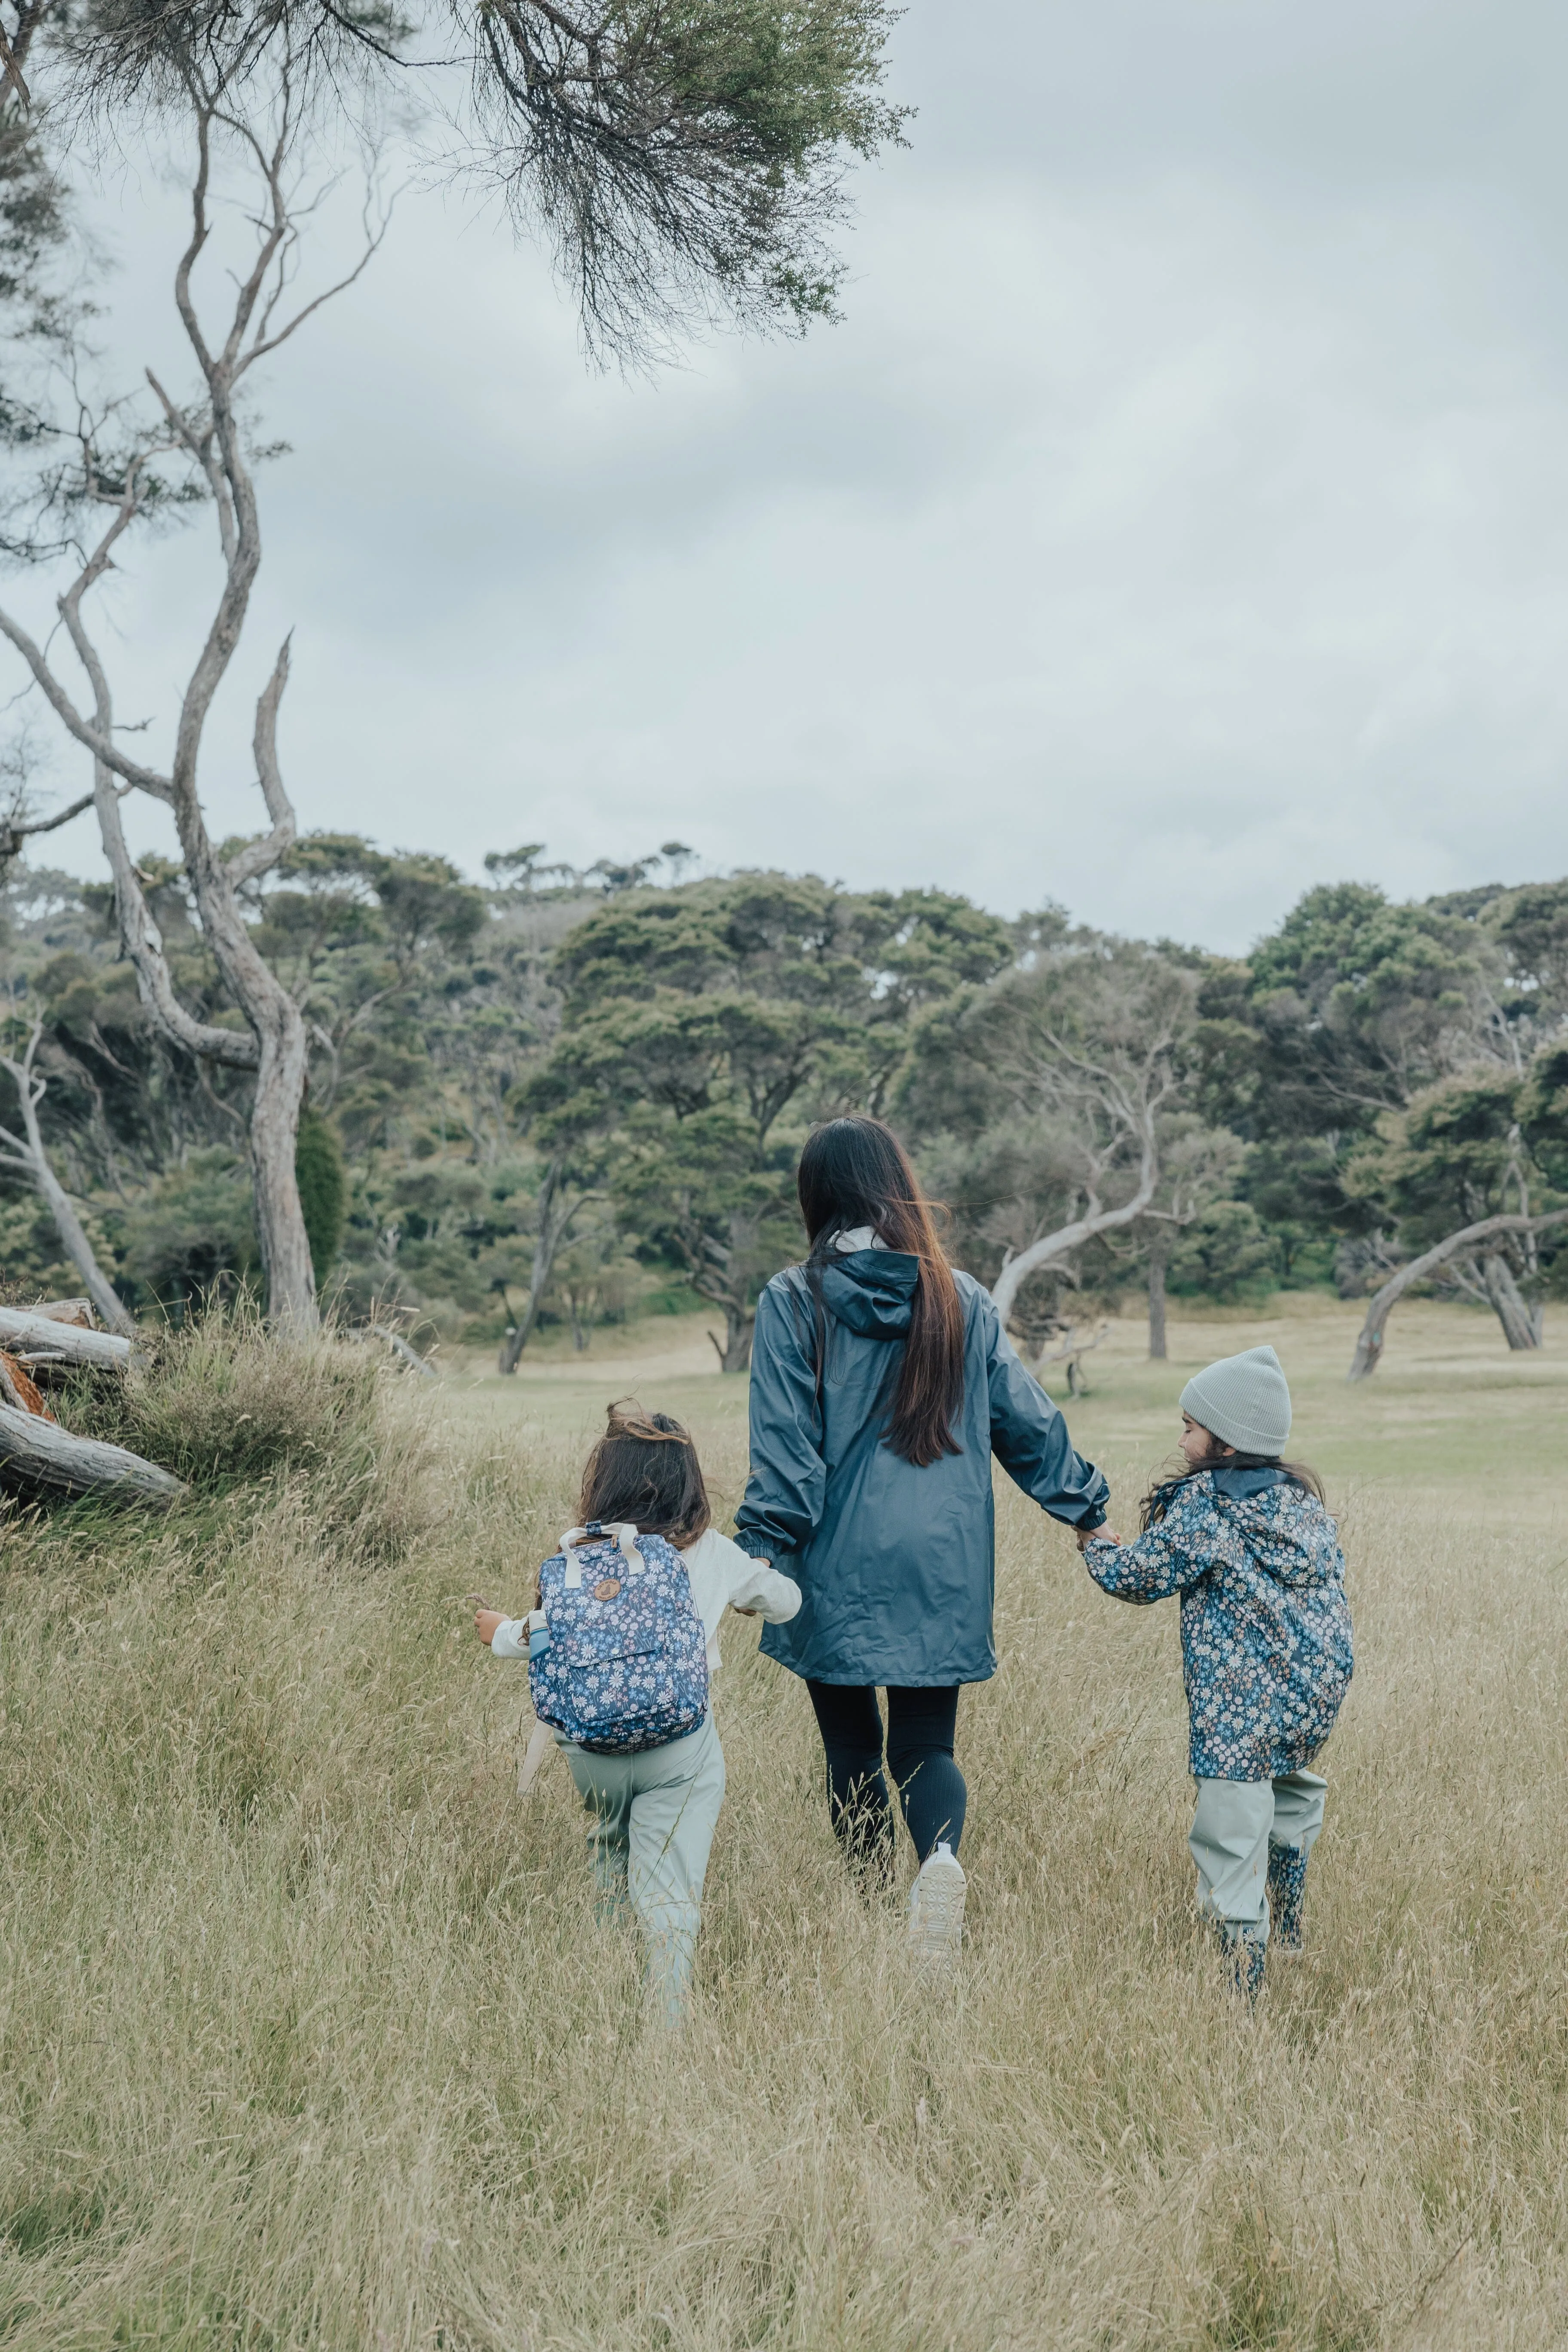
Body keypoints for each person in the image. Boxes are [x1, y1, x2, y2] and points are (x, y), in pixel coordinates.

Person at [732, 1115, 1110, 1964]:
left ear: (817, 1195)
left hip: (833, 1558)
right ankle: (938, 1863)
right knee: (926, 1745)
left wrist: (760, 1546)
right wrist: (1086, 1509)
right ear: (897, 1185)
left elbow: (788, 1452)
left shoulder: (794, 1299)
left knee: (853, 1746)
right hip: (945, 1561)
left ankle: (870, 1911)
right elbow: (1027, 1425)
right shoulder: (960, 1296)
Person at [475, 1402, 800, 2023]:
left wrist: (495, 1630)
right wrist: (756, 1581)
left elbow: (533, 1637)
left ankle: (608, 1991)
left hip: (592, 1754)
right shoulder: (712, 1552)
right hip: (678, 1750)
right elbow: (786, 1603)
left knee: (609, 1853)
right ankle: (664, 2028)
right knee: (668, 1887)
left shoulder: (582, 1558)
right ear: (691, 1484)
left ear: (603, 1482)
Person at [1076, 1344, 1353, 1996]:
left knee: (1231, 1835)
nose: (1182, 1438)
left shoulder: (1210, 1504)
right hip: (1313, 1694)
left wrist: (1093, 1547)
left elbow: (1142, 1578)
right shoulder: (1300, 1501)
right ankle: (1287, 1934)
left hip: (1242, 1703)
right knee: (1289, 1796)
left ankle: (1242, 1996)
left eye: (1191, 1426)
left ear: (1226, 1443)